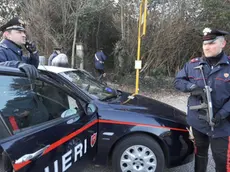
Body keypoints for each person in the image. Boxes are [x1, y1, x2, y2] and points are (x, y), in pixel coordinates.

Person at [174, 27, 230, 172]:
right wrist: (192, 87)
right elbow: (178, 81)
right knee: (200, 155)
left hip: (222, 125)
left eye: (211, 43)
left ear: (223, 44)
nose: (206, 47)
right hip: (198, 122)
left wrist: (222, 114)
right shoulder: (193, 65)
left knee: (222, 160)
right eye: (204, 44)